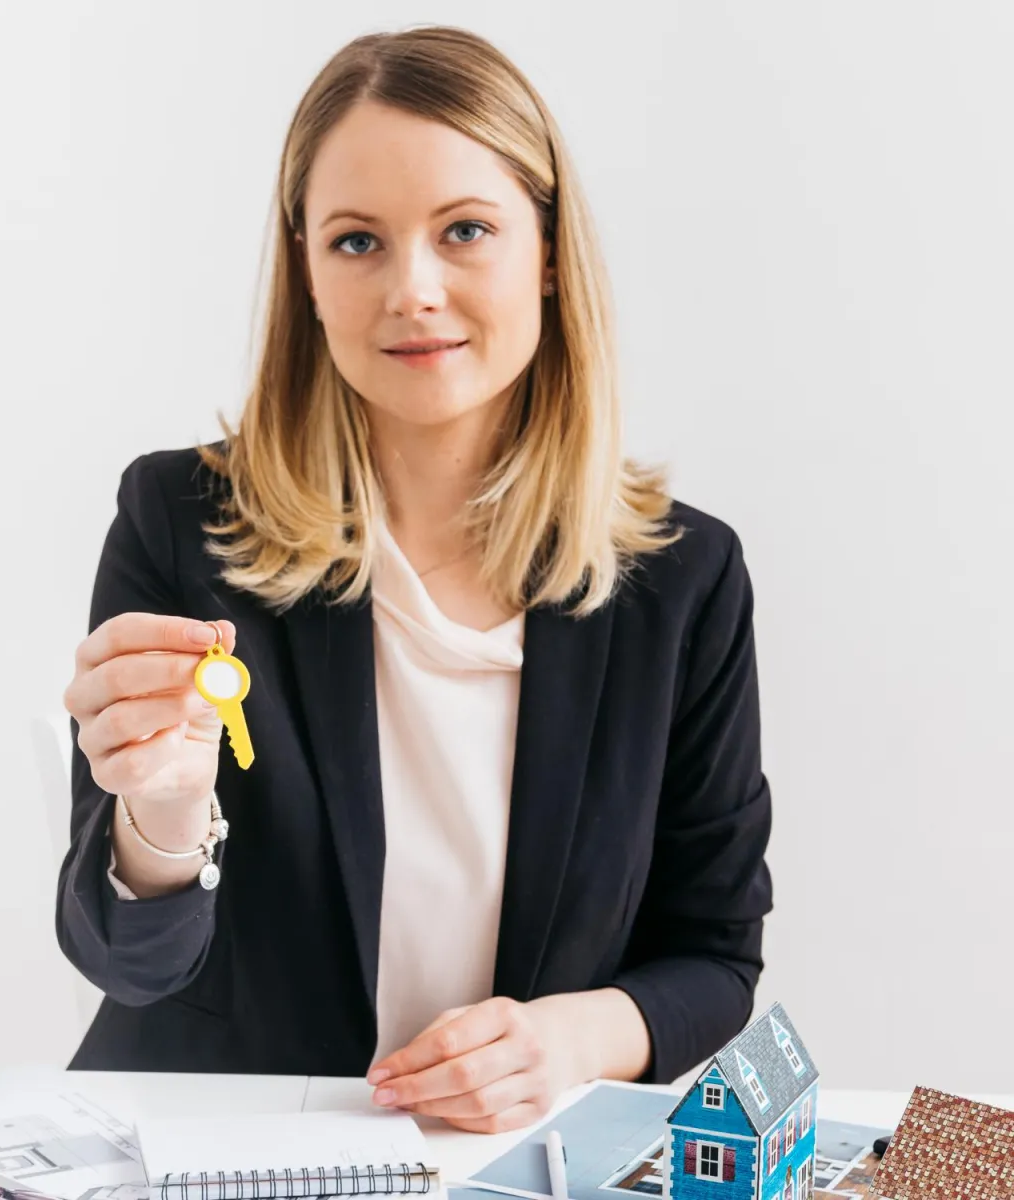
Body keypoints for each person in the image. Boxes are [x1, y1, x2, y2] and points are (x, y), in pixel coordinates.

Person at [57, 24, 773, 1134]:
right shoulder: (182, 523)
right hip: (217, 1151)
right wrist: (161, 814)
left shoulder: (686, 579)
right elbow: (128, 964)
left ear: (546, 252)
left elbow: (716, 958)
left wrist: (566, 1042)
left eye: (465, 230)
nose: (414, 290)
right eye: (357, 242)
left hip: (499, 1163)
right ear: (306, 270)